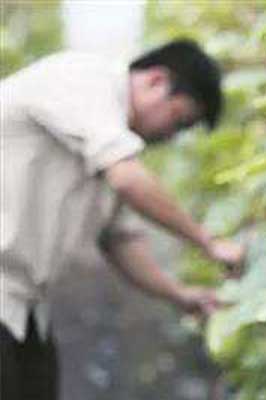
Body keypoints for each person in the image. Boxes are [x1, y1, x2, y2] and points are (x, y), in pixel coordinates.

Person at [0, 39, 244, 400]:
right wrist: (207, 242)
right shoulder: (84, 78)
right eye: (179, 121)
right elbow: (127, 178)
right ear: (156, 81)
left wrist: (179, 295)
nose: (171, 136)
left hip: (24, 307)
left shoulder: (108, 137)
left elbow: (119, 239)